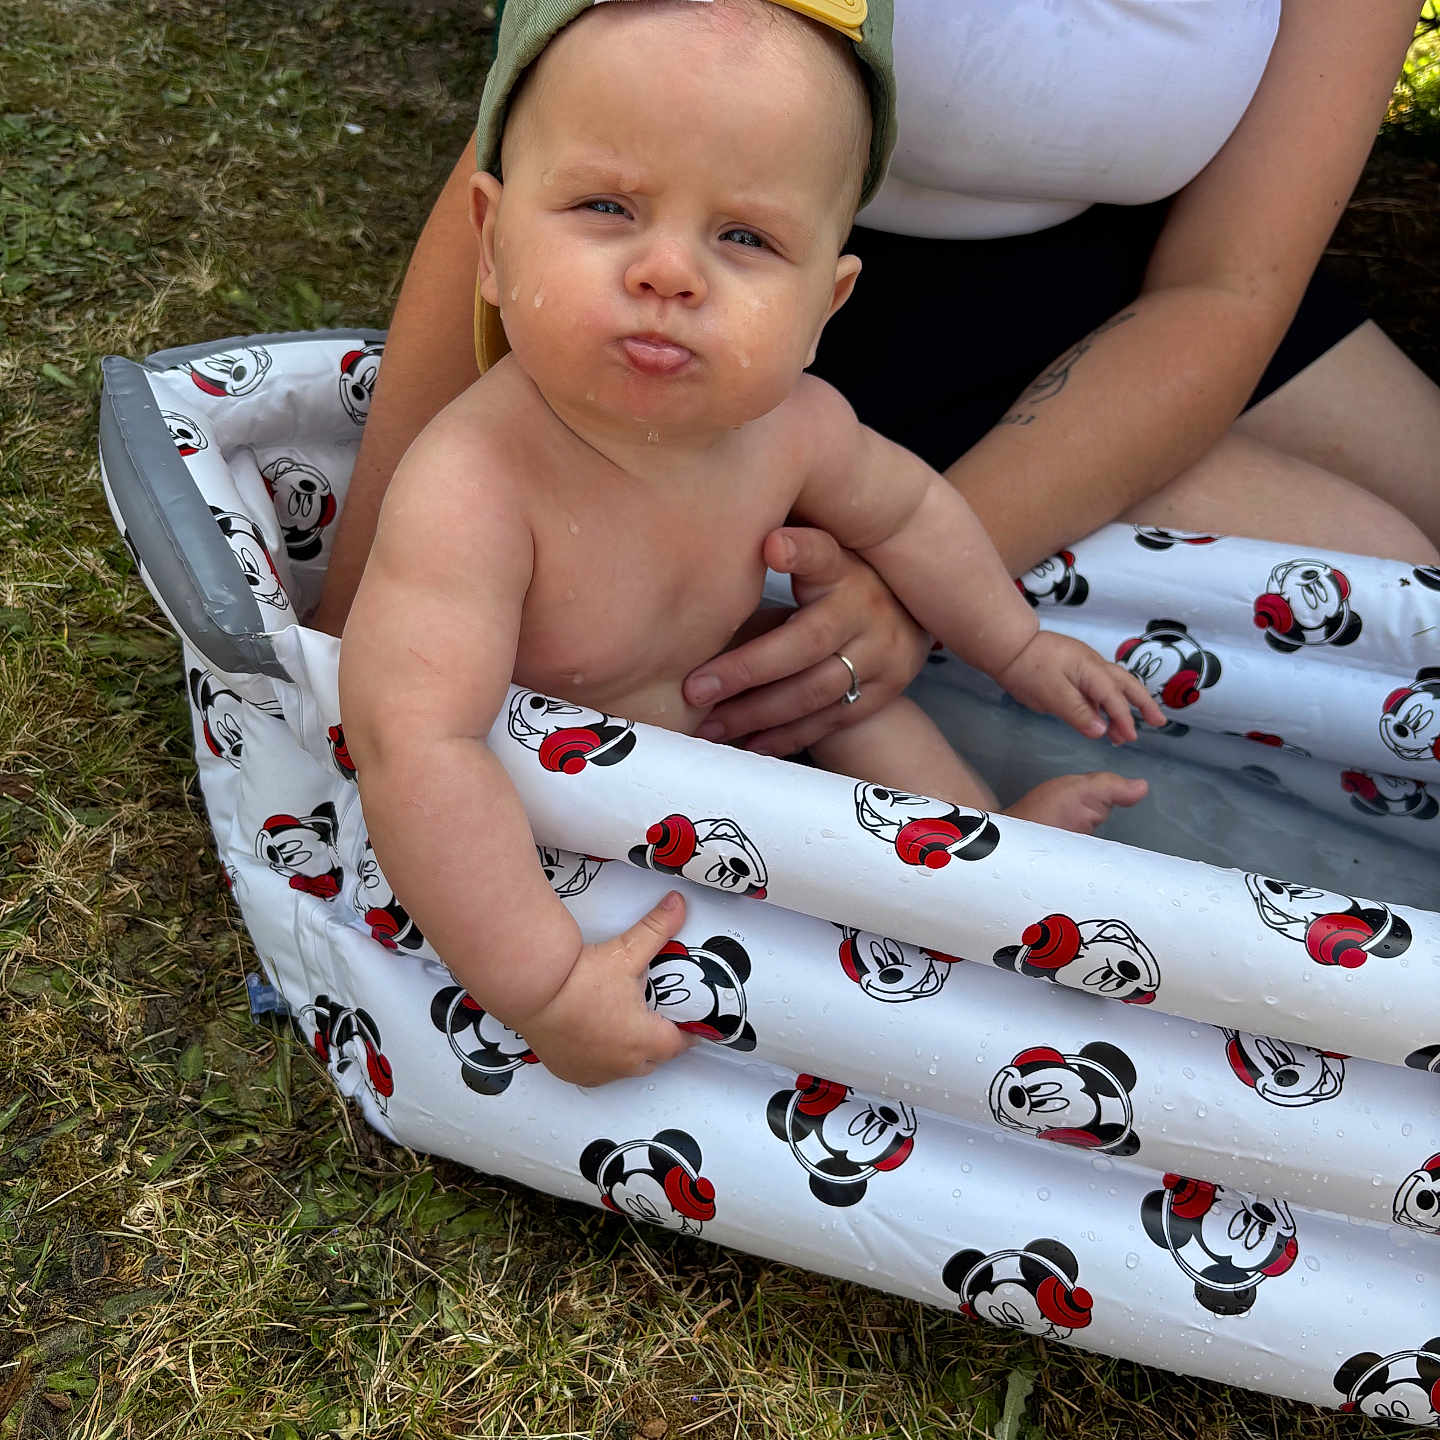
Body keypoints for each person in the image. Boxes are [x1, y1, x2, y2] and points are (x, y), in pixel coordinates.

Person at [338, 0, 1166, 1089]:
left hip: (745, 740)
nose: (669, 272)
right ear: (489, 245)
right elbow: (418, 745)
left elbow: (911, 519)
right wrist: (541, 985)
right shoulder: (475, 484)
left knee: (869, 710)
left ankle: (987, 858)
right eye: (605, 206)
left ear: (825, 306)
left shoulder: (796, 428)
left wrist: (1017, 647)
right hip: (569, 830)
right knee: (484, 816)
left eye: (745, 238)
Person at [311, 0, 1440, 767]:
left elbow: (1232, 288)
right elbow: (531, 152)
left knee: (1410, 609)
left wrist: (917, 595)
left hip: (1120, 261)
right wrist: (350, 647)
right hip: (768, 260)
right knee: (1378, 563)